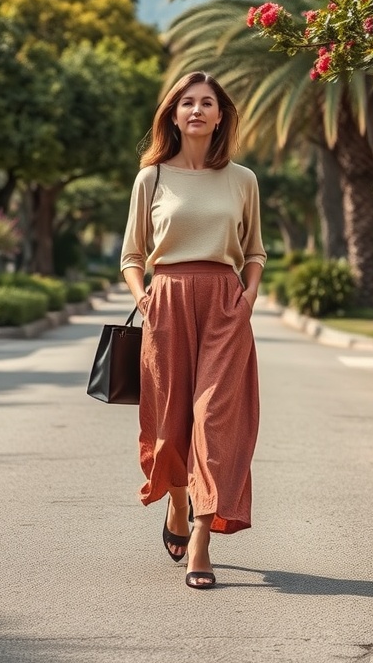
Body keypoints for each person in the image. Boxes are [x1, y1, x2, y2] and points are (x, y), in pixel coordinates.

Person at [120, 70, 266, 590]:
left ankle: (201, 539)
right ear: (174, 114)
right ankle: (178, 502)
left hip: (225, 303)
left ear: (221, 116)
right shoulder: (151, 178)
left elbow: (254, 251)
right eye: (187, 102)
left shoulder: (243, 179)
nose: (197, 110)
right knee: (172, 419)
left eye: (207, 102)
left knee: (213, 418)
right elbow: (132, 255)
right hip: (167, 301)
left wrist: (248, 296)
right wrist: (143, 297)